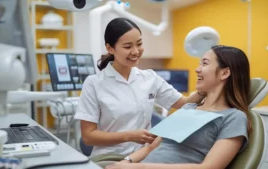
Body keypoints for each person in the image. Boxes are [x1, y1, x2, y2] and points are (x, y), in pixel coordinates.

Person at [74, 17, 205, 158]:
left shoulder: (150, 78)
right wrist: (129, 136)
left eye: (139, 44)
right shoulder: (94, 83)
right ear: (110, 48)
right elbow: (88, 137)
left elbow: (183, 103)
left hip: (145, 155)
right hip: (109, 157)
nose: (136, 51)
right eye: (128, 46)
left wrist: (206, 87)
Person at [105, 45, 252, 169]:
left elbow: (208, 168)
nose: (197, 69)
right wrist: (126, 162)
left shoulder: (234, 117)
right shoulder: (188, 109)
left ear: (225, 73)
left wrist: (138, 167)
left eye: (205, 64)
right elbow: (151, 147)